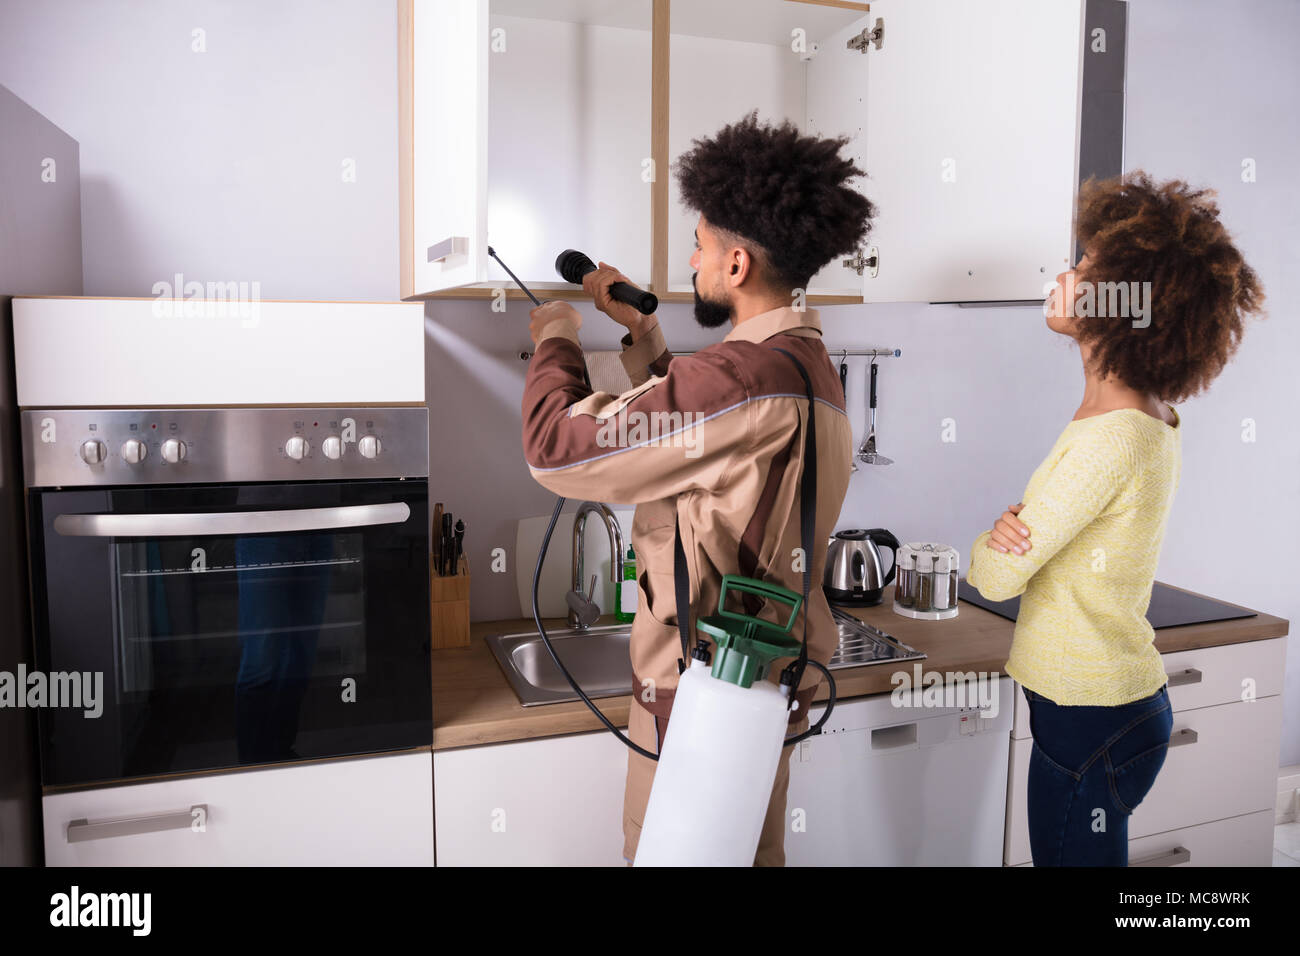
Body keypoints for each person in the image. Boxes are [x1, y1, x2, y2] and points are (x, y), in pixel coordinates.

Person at [520, 110, 874, 865]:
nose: (693, 260)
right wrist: (643, 337)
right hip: (767, 679)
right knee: (752, 854)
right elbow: (706, 447)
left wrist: (555, 337)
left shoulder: (736, 377)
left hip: (698, 690)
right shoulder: (808, 367)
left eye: (702, 246)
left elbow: (554, 451)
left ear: (737, 265)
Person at [967, 171, 1264, 866]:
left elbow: (999, 576)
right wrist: (1018, 529)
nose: (1064, 275)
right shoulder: (1142, 418)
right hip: (1112, 708)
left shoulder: (1111, 437)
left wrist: (994, 537)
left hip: (1089, 717)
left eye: (1085, 268)